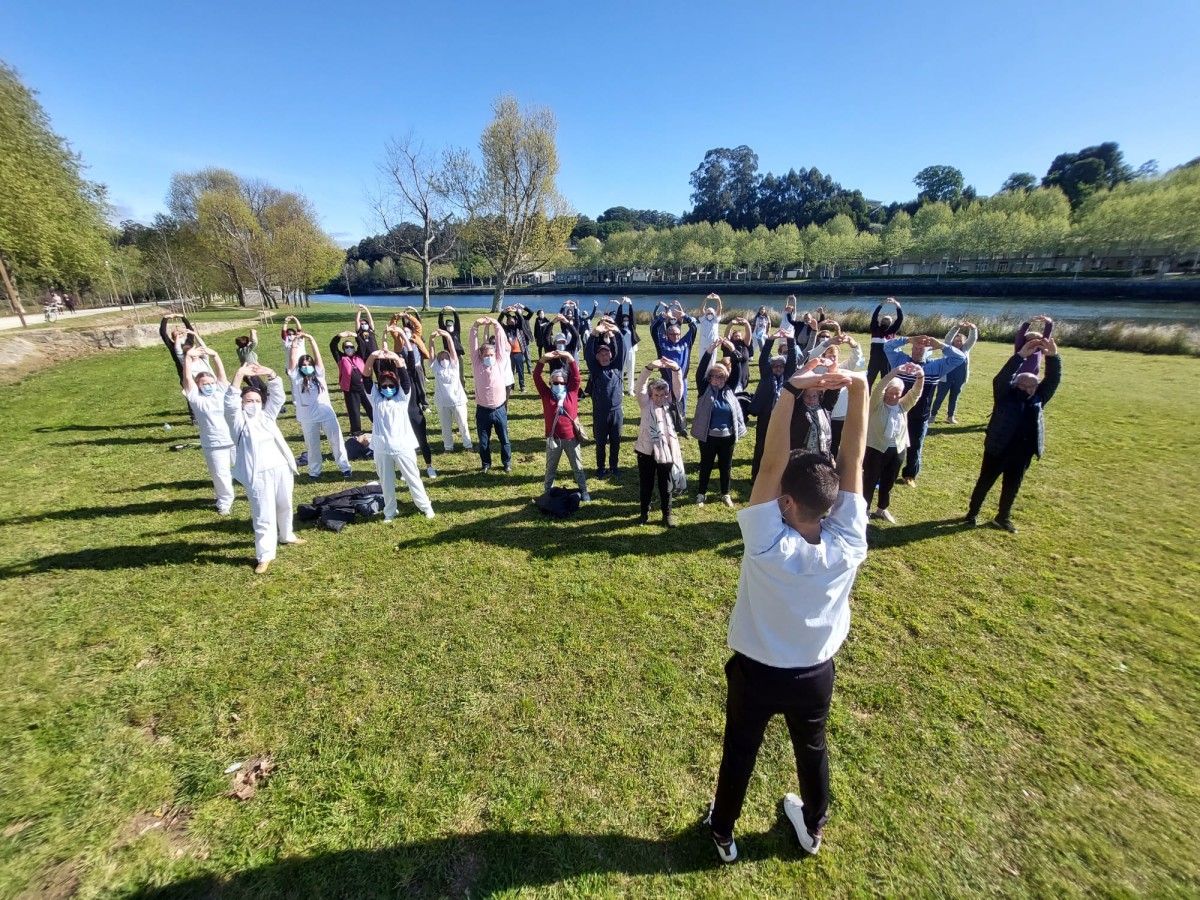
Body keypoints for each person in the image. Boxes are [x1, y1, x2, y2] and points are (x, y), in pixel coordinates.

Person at [706, 356, 869, 864]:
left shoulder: (766, 543)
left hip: (756, 673)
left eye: (779, 493)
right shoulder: (849, 540)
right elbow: (854, 461)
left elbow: (770, 464)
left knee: (740, 751)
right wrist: (859, 389)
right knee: (812, 751)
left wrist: (791, 391)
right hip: (814, 674)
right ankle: (813, 825)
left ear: (787, 503)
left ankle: (723, 831)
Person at [966, 336, 1061, 533]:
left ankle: (1003, 517)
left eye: (1032, 386)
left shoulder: (1038, 398)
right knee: (985, 482)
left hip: (1022, 453)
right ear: (1016, 385)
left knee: (1012, 486)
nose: (1028, 390)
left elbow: (1053, 380)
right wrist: (1020, 356)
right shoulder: (1004, 396)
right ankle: (972, 513)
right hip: (998, 449)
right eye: (1024, 386)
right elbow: (1001, 378)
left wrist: (1053, 356)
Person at [224, 363, 304, 574]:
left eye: (257, 400)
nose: (253, 404)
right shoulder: (238, 423)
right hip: (257, 474)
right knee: (264, 514)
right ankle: (265, 554)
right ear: (242, 403)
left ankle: (287, 534)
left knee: (285, 504)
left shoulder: (267, 417)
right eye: (249, 400)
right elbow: (230, 404)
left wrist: (271, 374)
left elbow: (278, 397)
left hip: (281, 468)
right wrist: (240, 374)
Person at [363, 345, 435, 521]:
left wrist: (395, 358)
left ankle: (425, 507)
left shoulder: (402, 397)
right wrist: (373, 356)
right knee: (386, 483)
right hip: (381, 448)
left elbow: (404, 378)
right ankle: (390, 511)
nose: (387, 388)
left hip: (403, 446)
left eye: (390, 385)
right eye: (384, 385)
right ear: (379, 387)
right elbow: (365, 377)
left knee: (413, 478)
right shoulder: (376, 398)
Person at [882, 334, 966, 485]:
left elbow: (960, 358)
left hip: (920, 415)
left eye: (922, 348)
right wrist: (908, 339)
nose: (918, 350)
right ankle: (886, 472)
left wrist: (941, 345)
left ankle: (910, 475)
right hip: (897, 412)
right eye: (916, 347)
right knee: (891, 443)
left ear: (929, 351)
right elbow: (887, 346)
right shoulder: (900, 361)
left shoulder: (936, 367)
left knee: (915, 445)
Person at [862, 363, 925, 523]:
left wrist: (920, 375)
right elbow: (879, 387)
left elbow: (916, 393)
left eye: (897, 394)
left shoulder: (903, 406)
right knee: (869, 480)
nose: (893, 397)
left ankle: (882, 509)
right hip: (876, 448)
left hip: (898, 449)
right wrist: (895, 372)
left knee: (889, 481)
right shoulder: (876, 404)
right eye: (890, 393)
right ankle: (864, 510)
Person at [287, 332, 352, 479]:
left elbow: (318, 359)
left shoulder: (318, 374)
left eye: (309, 364)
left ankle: (345, 467)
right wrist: (294, 344)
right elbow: (291, 361)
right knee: (312, 445)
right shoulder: (296, 376)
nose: (306, 367)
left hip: (326, 413)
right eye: (303, 365)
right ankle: (315, 471)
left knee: (336, 441)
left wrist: (311, 339)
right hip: (307, 417)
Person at [183, 347, 235, 516]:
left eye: (211, 383)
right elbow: (187, 379)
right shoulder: (196, 399)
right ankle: (225, 502)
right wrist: (187, 359)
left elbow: (221, 376)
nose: (209, 386)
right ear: (198, 386)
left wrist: (216, 355)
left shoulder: (220, 392)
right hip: (213, 444)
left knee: (247, 468)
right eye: (205, 384)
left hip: (234, 439)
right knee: (221, 475)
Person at [533, 351, 590, 500]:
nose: (559, 385)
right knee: (550, 469)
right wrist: (543, 360)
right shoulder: (546, 394)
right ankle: (547, 492)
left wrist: (569, 358)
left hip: (572, 439)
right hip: (554, 439)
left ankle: (584, 491)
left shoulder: (572, 393)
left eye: (562, 382)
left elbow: (576, 377)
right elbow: (536, 377)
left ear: (566, 383)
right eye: (555, 382)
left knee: (577, 468)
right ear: (551, 383)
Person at [634, 359, 685, 527]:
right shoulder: (644, 403)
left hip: (667, 451)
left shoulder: (670, 403)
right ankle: (644, 513)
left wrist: (676, 369)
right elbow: (639, 386)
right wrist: (649, 368)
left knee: (666, 484)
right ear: (651, 394)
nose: (660, 398)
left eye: (663, 395)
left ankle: (667, 515)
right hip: (646, 451)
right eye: (656, 395)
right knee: (646, 484)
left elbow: (679, 387)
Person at [691, 358, 747, 508]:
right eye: (714, 376)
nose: (717, 379)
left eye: (721, 376)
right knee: (706, 465)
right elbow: (700, 371)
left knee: (725, 466)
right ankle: (701, 494)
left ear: (726, 377)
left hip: (727, 437)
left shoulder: (730, 388)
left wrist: (732, 351)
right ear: (709, 378)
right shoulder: (704, 389)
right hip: (707, 437)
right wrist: (709, 351)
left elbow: (737, 369)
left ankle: (725, 493)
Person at [388, 321, 437, 479]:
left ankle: (429, 466)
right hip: (401, 416)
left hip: (415, 413)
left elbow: (410, 355)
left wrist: (404, 335)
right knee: (405, 444)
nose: (401, 362)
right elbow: (388, 353)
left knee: (422, 441)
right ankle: (406, 469)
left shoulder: (411, 376)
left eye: (403, 361)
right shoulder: (393, 382)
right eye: (398, 360)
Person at [747, 331, 797, 482]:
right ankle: (756, 476)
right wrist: (770, 340)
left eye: (781, 366)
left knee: (780, 448)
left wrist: (790, 340)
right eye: (775, 366)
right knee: (761, 446)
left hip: (782, 418)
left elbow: (792, 359)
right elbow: (763, 358)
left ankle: (777, 475)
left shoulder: (787, 376)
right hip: (765, 417)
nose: (778, 368)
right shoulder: (766, 376)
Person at [584, 322, 627, 479]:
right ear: (597, 357)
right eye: (601, 354)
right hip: (600, 413)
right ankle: (601, 468)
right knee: (600, 443)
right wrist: (594, 334)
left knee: (616, 442)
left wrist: (617, 333)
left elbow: (622, 349)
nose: (604, 356)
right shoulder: (595, 370)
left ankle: (614, 467)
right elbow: (588, 352)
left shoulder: (617, 367)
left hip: (616, 413)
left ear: (611, 355)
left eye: (606, 353)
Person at [470, 316, 512, 473]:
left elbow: (500, 343)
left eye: (491, 355)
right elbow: (472, 346)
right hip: (482, 410)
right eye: (486, 355)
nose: (489, 357)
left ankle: (506, 462)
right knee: (483, 442)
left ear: (496, 355)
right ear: (481, 356)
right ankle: (486, 463)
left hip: (500, 409)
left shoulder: (500, 362)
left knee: (505, 440)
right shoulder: (477, 364)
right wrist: (475, 326)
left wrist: (496, 324)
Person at [822, 336, 866, 457]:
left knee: (836, 444)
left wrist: (853, 344)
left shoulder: (843, 369)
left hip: (839, 416)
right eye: (829, 355)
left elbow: (856, 358)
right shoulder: (819, 371)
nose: (832, 358)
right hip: (824, 414)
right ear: (824, 356)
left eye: (834, 356)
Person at [430, 329, 472, 452]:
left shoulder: (454, 365)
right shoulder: (436, 367)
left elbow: (453, 351)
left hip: (458, 401)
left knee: (463, 424)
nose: (444, 359)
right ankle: (448, 447)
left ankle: (468, 445)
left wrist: (448, 337)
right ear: (438, 360)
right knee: (445, 427)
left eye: (446, 357)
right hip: (442, 403)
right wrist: (431, 340)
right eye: (441, 357)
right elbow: (431, 354)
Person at [653, 309, 699, 417]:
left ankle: (681, 422)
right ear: (667, 334)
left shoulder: (686, 342)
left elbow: (694, 328)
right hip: (667, 379)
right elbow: (654, 329)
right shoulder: (662, 343)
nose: (675, 336)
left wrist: (685, 316)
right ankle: (666, 421)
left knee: (682, 401)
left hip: (682, 379)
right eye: (672, 334)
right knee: (665, 401)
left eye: (678, 334)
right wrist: (663, 317)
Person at [930, 321, 978, 423]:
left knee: (954, 398)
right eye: (956, 341)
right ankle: (932, 416)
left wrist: (973, 329)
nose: (958, 343)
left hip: (959, 378)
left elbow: (972, 339)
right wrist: (957, 327)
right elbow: (948, 337)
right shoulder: (948, 347)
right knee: (940, 397)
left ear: (964, 342)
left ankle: (950, 417)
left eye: (960, 341)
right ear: (953, 341)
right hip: (945, 377)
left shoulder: (965, 349)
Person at [329, 330, 373, 435]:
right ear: (344, 349)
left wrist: (356, 336)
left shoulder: (359, 355)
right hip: (350, 390)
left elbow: (362, 345)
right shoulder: (341, 358)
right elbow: (333, 346)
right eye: (347, 347)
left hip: (363, 387)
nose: (349, 349)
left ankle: (378, 425)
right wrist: (339, 336)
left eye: (351, 347)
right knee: (354, 411)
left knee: (371, 408)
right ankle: (356, 431)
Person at [866, 298, 904, 388]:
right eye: (885, 319)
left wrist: (882, 305)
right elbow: (899, 319)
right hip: (878, 360)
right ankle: (866, 398)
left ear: (890, 323)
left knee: (884, 382)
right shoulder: (879, 329)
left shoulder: (879, 330)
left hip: (884, 360)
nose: (886, 320)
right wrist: (896, 305)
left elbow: (875, 316)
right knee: (869, 381)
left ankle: (883, 399)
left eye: (887, 319)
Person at [617, 298, 641, 396]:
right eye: (624, 320)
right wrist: (621, 305)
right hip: (622, 352)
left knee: (631, 370)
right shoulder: (619, 329)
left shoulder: (632, 327)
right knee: (621, 371)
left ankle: (631, 389)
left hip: (631, 351)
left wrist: (630, 304)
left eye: (627, 320)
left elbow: (633, 317)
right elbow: (618, 317)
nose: (626, 321)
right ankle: (621, 389)